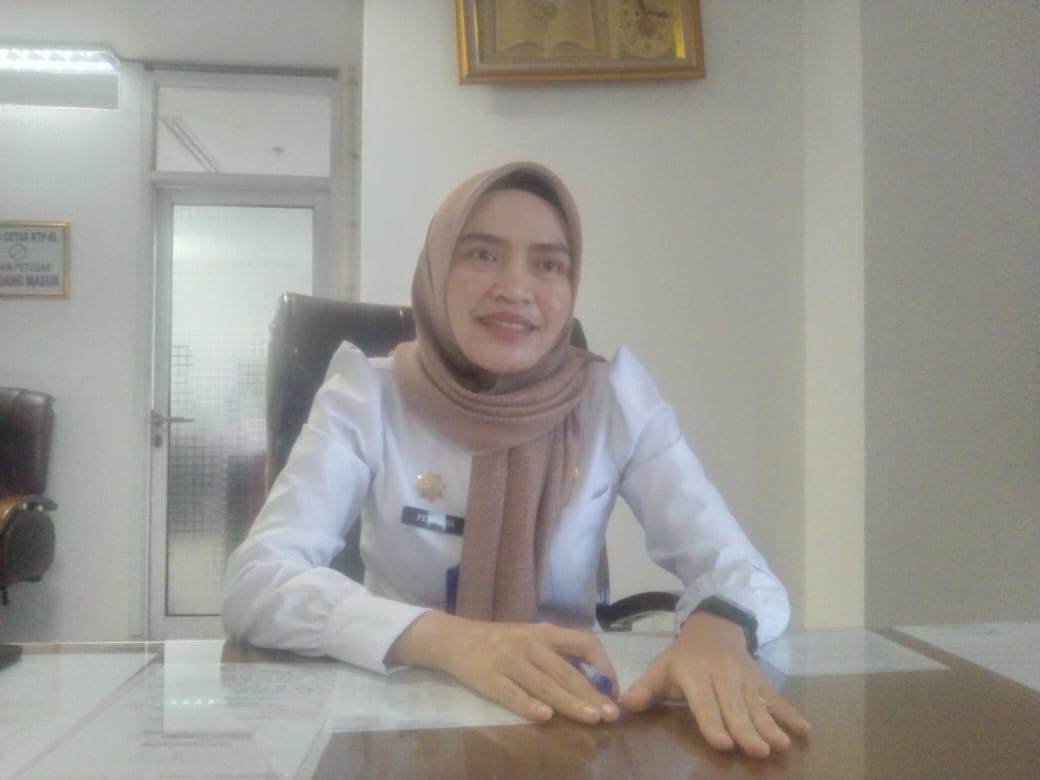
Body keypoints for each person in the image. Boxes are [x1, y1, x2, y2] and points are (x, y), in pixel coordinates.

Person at [222, 161, 810, 758]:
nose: (516, 288)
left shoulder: (613, 401)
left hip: (574, 723)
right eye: (482, 255)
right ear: (436, 269)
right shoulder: (368, 395)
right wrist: (451, 641)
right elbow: (257, 580)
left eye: (548, 264)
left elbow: (742, 570)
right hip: (403, 721)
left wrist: (718, 629)